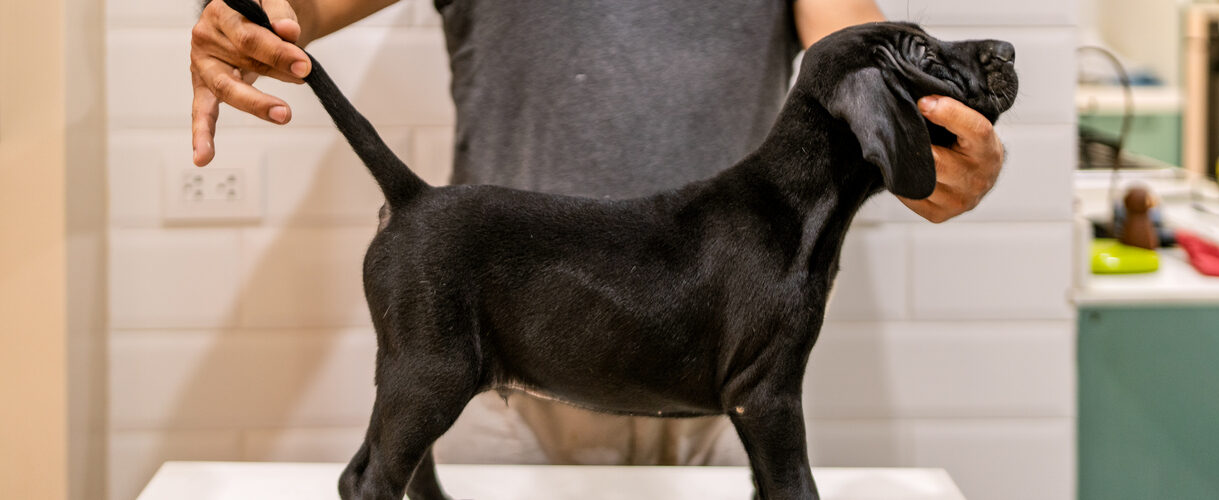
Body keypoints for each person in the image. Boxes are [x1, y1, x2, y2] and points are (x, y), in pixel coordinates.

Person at [189, 0, 1006, 465]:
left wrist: (939, 134)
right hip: (503, 390)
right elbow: (289, 10)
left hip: (711, 401)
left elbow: (849, 45)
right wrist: (241, 19)